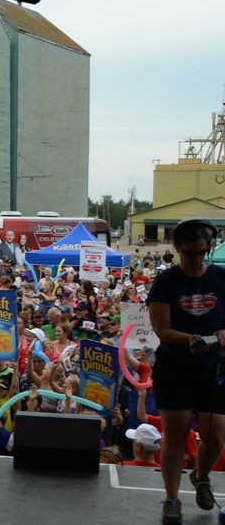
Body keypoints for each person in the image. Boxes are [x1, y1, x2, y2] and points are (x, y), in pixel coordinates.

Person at [147, 219, 225, 524]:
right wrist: (190, 339)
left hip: (214, 366)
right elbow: (161, 329)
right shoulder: (166, 282)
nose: (198, 260)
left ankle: (201, 476)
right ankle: (171, 498)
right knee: (176, 435)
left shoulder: (220, 277)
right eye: (191, 254)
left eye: (203, 252)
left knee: (216, 434)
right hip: (176, 367)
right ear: (178, 249)